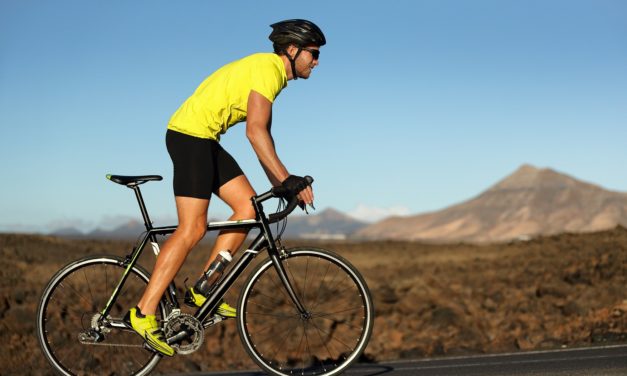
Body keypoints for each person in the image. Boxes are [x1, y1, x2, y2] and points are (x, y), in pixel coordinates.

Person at [124, 19, 326, 356]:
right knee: (193, 228)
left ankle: (204, 288)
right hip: (190, 138)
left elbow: (265, 141)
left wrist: (283, 186)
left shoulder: (269, 75)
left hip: (203, 139)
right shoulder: (268, 69)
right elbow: (255, 133)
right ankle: (142, 312)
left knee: (248, 207)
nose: (317, 61)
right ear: (292, 50)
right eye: (314, 54)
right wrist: (289, 180)